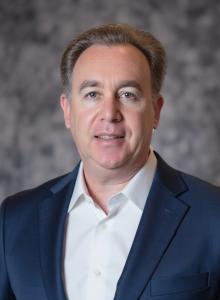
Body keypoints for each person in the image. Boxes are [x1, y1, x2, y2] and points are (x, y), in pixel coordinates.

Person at [0, 24, 220, 300]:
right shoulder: (15, 220)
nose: (110, 113)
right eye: (92, 94)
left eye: (128, 94)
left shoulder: (214, 216)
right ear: (68, 111)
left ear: (155, 111)